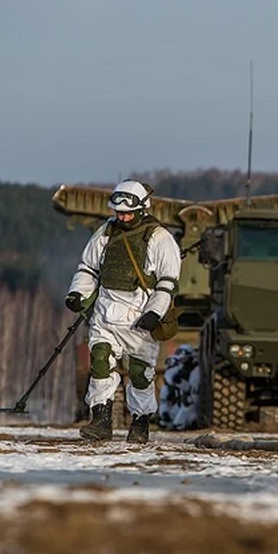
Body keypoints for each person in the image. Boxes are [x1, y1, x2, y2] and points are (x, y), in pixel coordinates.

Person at [64, 179, 181, 444]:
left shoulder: (160, 238)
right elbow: (88, 268)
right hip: (105, 314)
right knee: (100, 363)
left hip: (140, 318)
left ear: (142, 209)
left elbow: (167, 282)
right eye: (119, 212)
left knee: (140, 374)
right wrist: (77, 293)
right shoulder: (105, 232)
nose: (123, 217)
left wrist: (155, 312)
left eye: (128, 213)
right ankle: (100, 420)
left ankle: (140, 423)